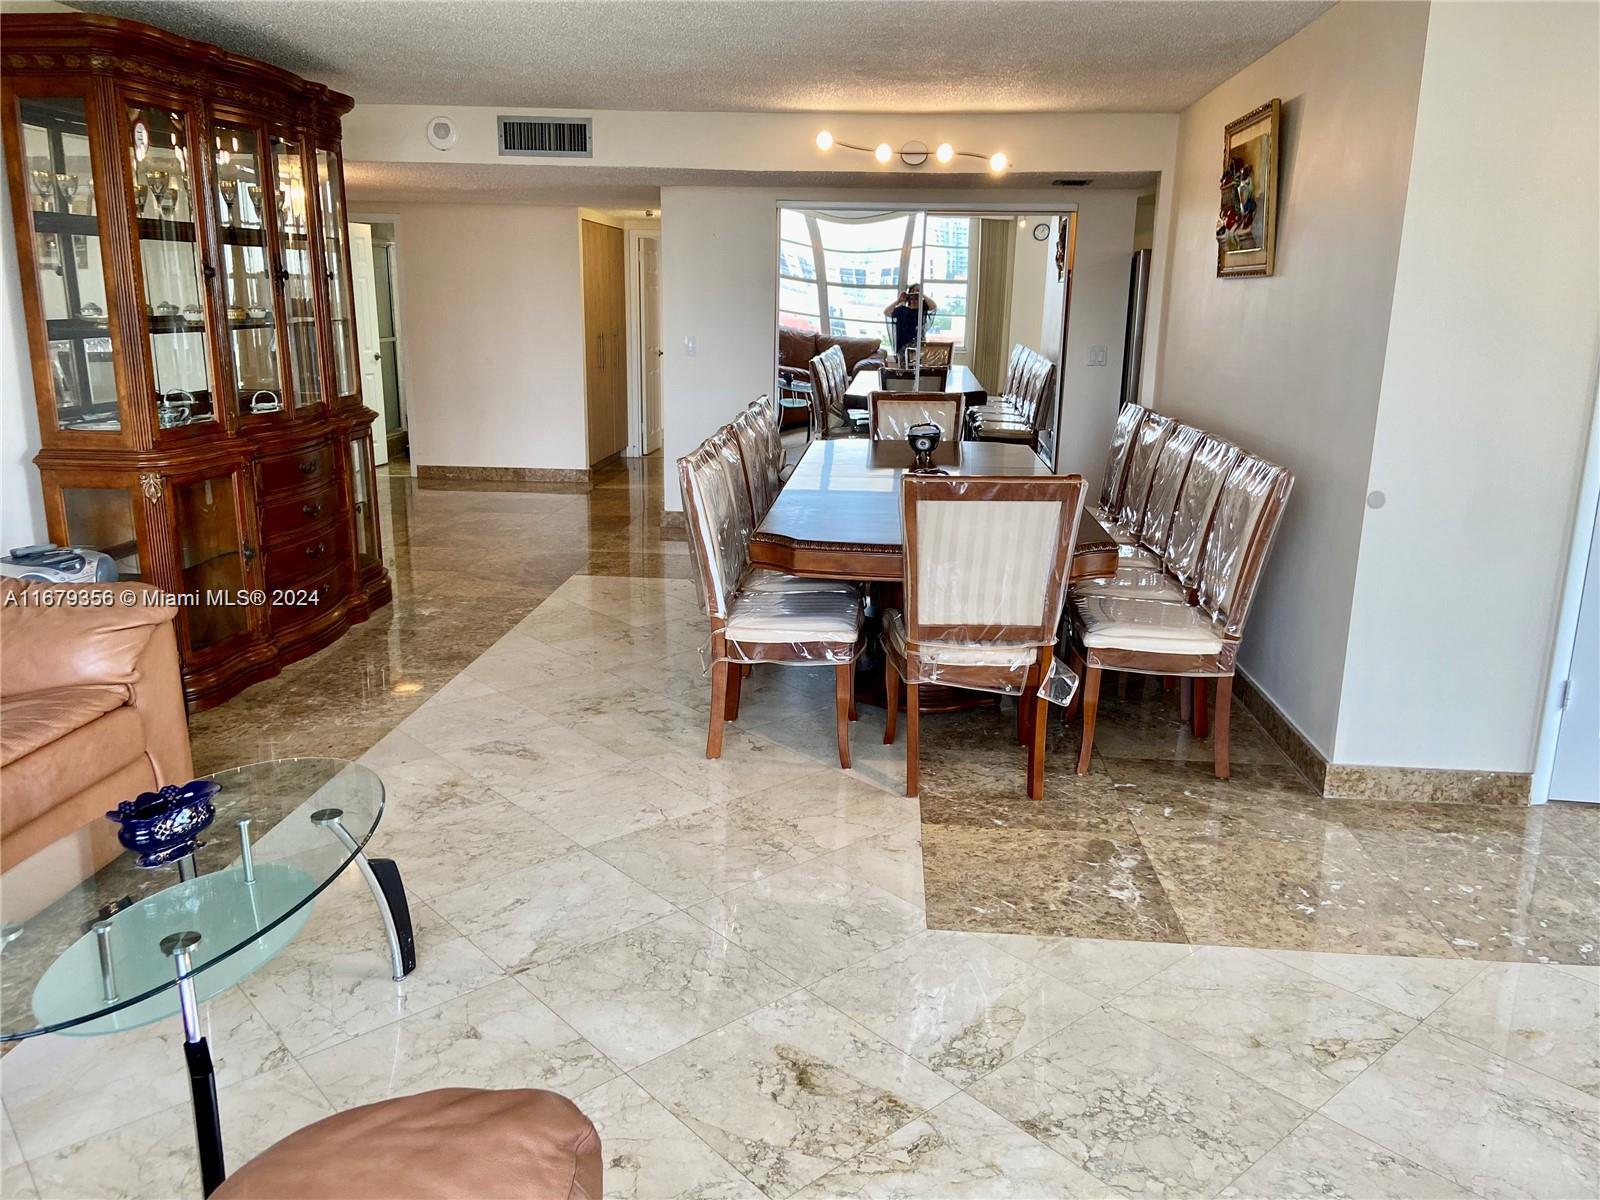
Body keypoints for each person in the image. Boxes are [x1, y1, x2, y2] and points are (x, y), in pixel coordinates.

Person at [883, 283, 938, 359]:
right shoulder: (902, 309)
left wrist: (922, 294)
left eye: (918, 291)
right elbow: (886, 312)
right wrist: (899, 300)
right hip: (902, 344)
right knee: (904, 369)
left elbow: (934, 306)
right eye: (913, 291)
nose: (915, 294)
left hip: (918, 345)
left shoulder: (923, 308)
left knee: (917, 368)